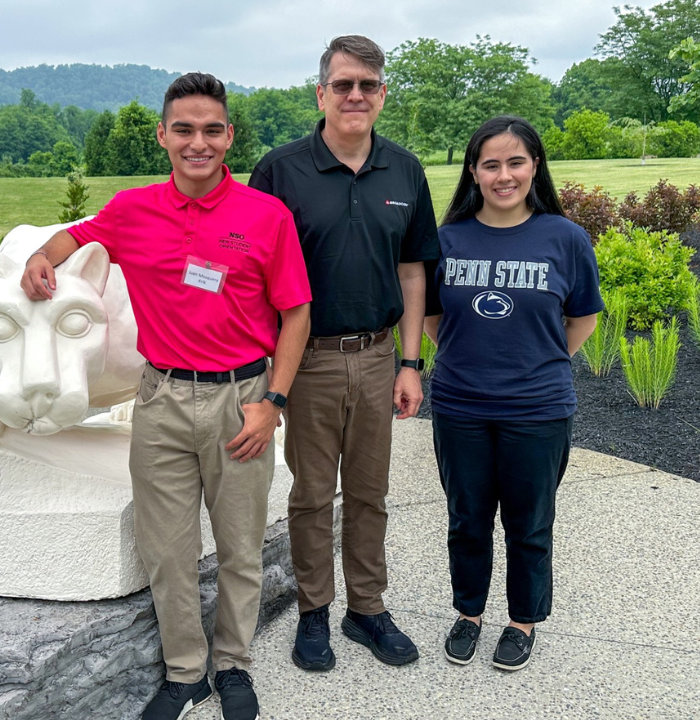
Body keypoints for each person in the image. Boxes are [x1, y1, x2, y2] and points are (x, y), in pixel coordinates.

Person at [21, 73, 311, 720]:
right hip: (160, 402)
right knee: (167, 549)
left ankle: (233, 667)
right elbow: (82, 232)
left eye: (212, 129)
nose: (198, 142)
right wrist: (43, 254)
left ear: (229, 136)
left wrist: (275, 403)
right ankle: (186, 674)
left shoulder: (266, 217)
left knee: (238, 547)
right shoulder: (133, 209)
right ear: (162, 135)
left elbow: (297, 315)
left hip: (242, 400)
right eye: (184, 129)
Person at [249, 35, 439, 671]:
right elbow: (256, 274)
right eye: (343, 84)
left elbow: (413, 271)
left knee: (368, 491)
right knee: (309, 494)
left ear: (382, 94)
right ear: (322, 92)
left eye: (368, 84)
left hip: (380, 352)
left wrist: (410, 363)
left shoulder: (405, 170)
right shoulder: (281, 171)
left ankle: (367, 608)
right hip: (308, 360)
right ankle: (313, 612)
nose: (355, 95)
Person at [424, 116, 603, 671]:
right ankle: (469, 613)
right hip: (460, 407)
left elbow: (582, 319)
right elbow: (432, 319)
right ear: (473, 172)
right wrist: (475, 360)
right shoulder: (447, 240)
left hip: (539, 410)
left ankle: (523, 621)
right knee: (467, 517)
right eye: (491, 164)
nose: (504, 175)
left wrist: (536, 363)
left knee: (529, 522)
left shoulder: (565, 238)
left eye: (516, 162)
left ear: (535, 166)